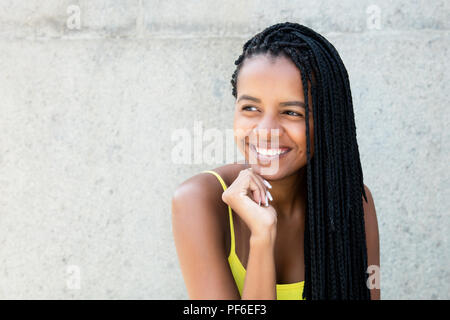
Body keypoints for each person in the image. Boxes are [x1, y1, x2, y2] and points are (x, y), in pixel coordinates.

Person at [172, 22, 380, 300]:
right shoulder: (199, 201)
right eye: (251, 108)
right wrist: (261, 237)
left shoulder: (351, 203)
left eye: (292, 113)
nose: (266, 130)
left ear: (327, 121)